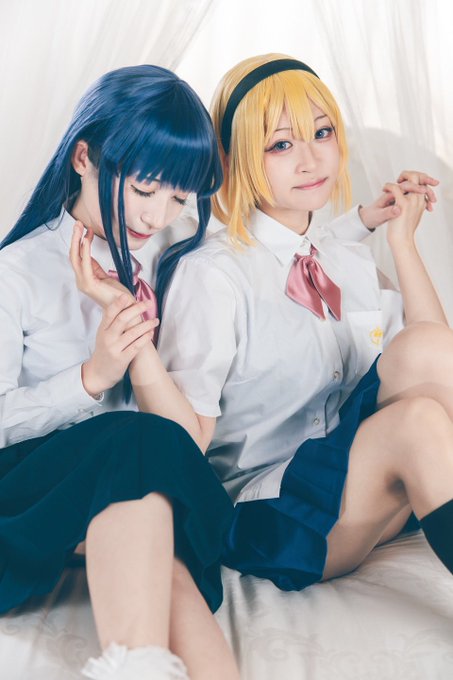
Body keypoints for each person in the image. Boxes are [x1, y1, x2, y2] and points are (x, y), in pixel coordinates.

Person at [155, 53, 453, 595]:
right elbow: (179, 435)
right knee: (417, 423)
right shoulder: (213, 276)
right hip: (273, 512)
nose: (311, 159)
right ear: (234, 159)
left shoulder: (345, 257)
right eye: (280, 145)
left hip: (363, 486)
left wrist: (402, 242)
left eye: (321, 133)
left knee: (424, 364)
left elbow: (436, 359)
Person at [0, 65, 240, 680]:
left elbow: (180, 445)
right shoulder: (16, 272)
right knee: (136, 447)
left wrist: (131, 333)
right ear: (84, 157)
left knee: (156, 506)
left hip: (131, 487)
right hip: (25, 492)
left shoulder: (178, 260)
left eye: (179, 199)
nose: (158, 216)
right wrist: (91, 376)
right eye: (146, 188)